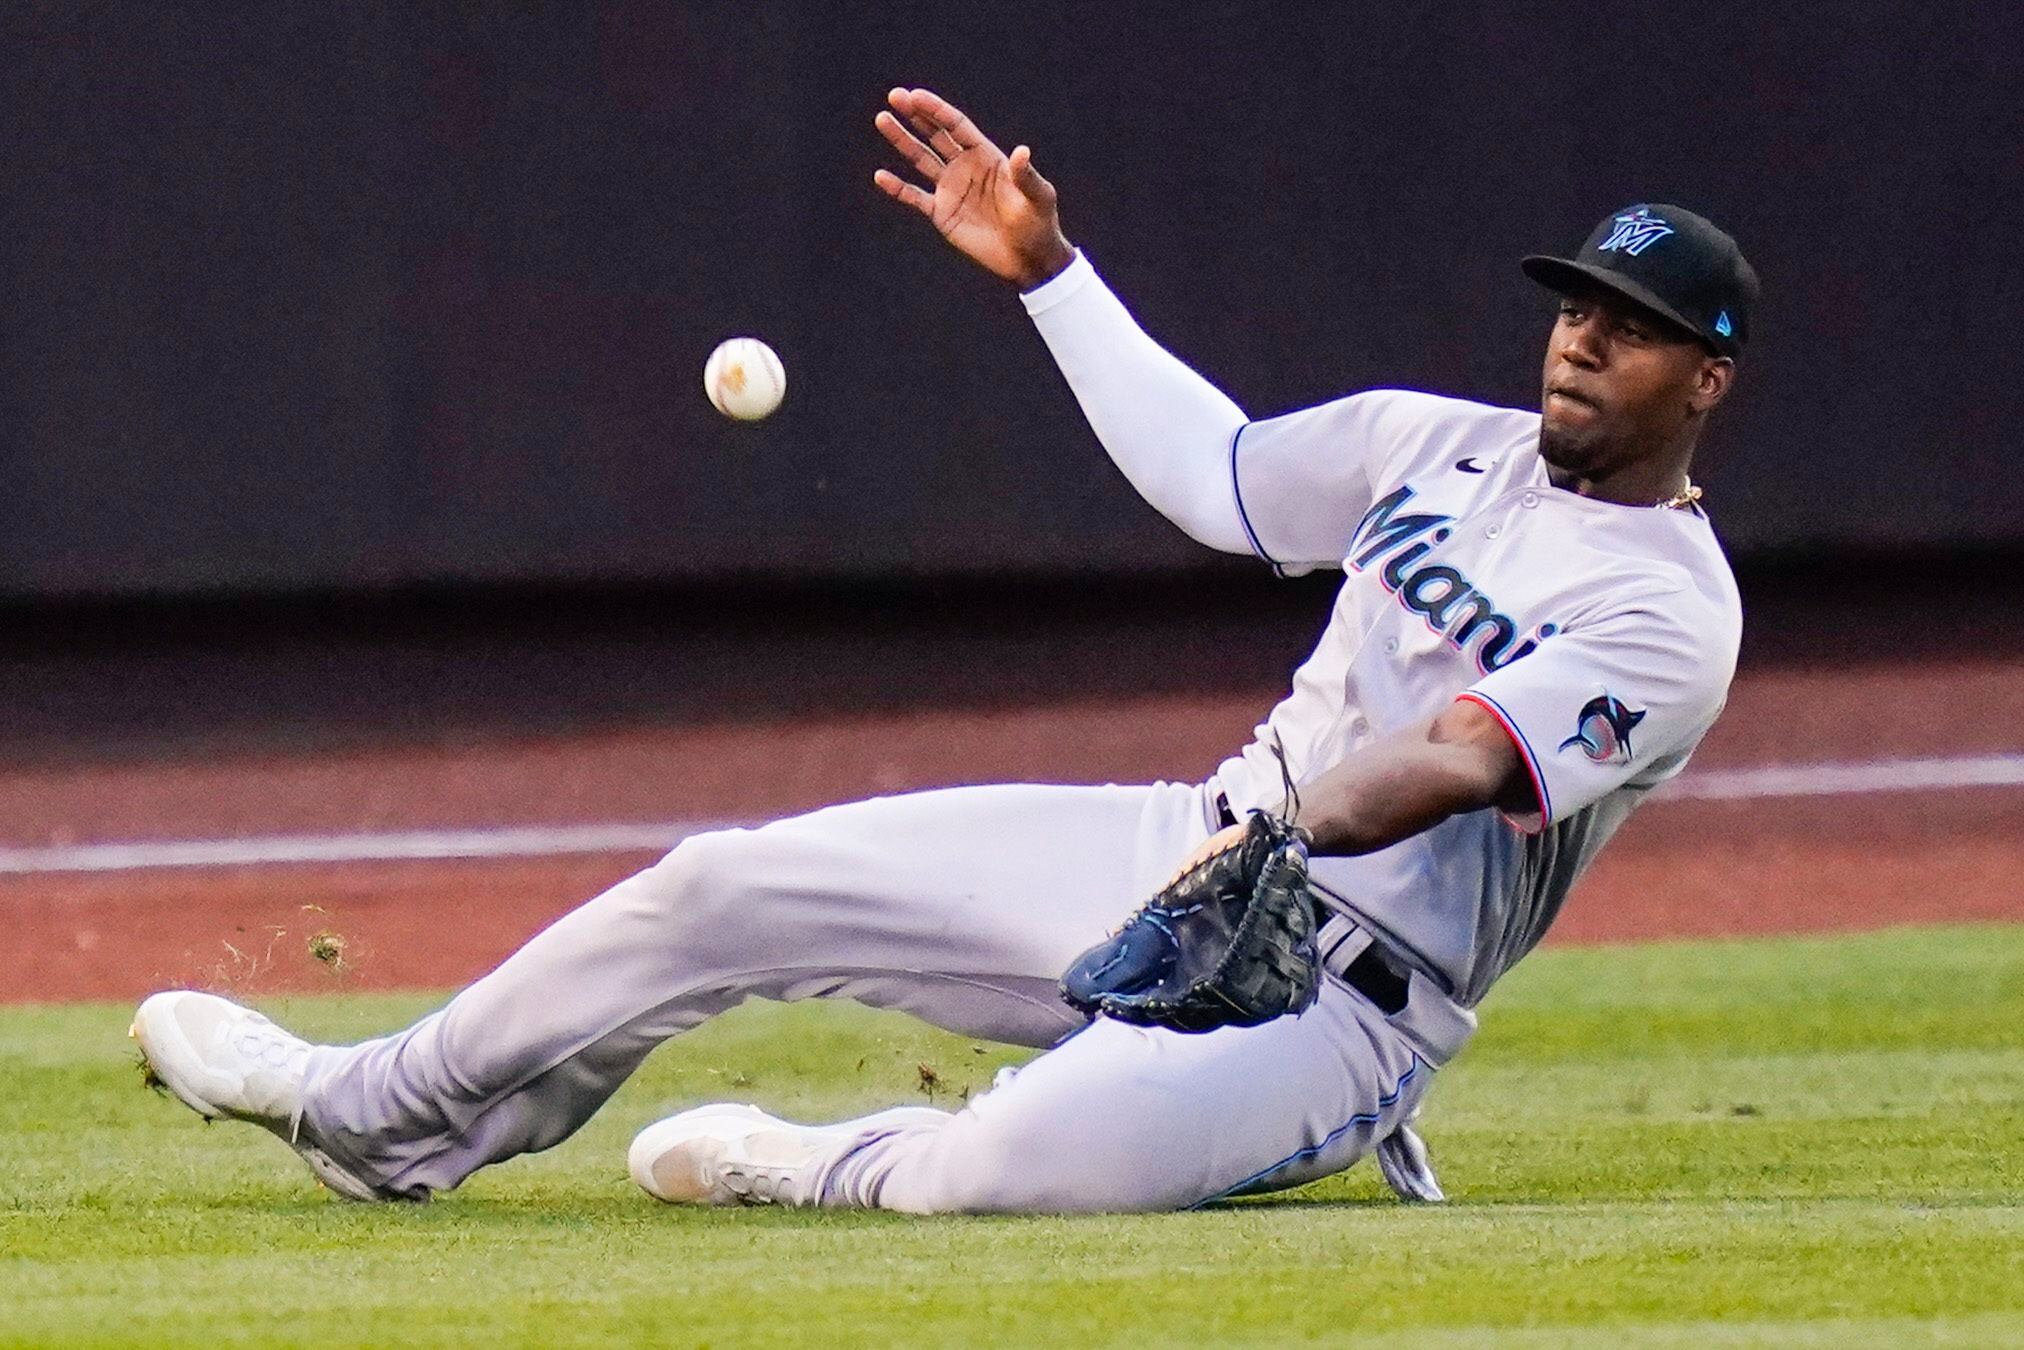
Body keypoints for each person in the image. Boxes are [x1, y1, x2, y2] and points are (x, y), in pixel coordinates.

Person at [132, 86, 1757, 1214]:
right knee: (721, 886)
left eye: (1630, 324)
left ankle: (821, 1162)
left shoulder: (1674, 613)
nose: (1582, 337)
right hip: (1179, 846)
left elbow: (1464, 757)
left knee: (999, 1176)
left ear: (1705, 381)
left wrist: (1287, 830)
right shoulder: (1438, 444)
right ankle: (369, 1115)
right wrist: (1053, 275)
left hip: (1344, 1002)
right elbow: (1219, 478)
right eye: (1573, 304)